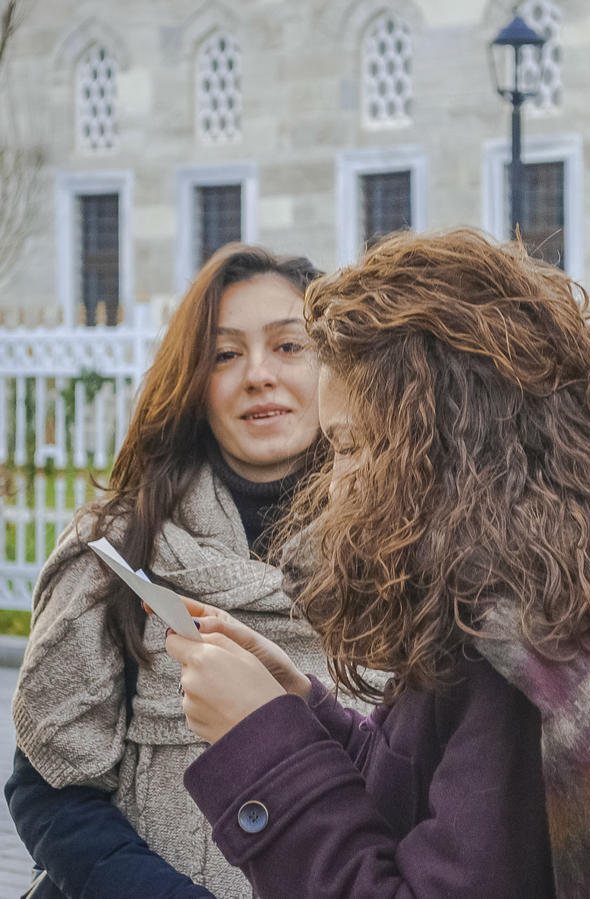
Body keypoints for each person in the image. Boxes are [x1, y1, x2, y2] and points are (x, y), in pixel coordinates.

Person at [166, 230, 590, 898]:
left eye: (353, 446)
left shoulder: (520, 649)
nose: (336, 485)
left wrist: (260, 743)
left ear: (447, 445)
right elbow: (426, 794)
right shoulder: (521, 588)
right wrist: (296, 709)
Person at [6, 244, 335, 898]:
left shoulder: (407, 554)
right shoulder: (117, 549)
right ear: (193, 379)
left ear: (336, 365)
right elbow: (52, 786)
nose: (259, 374)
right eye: (225, 353)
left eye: (289, 346)